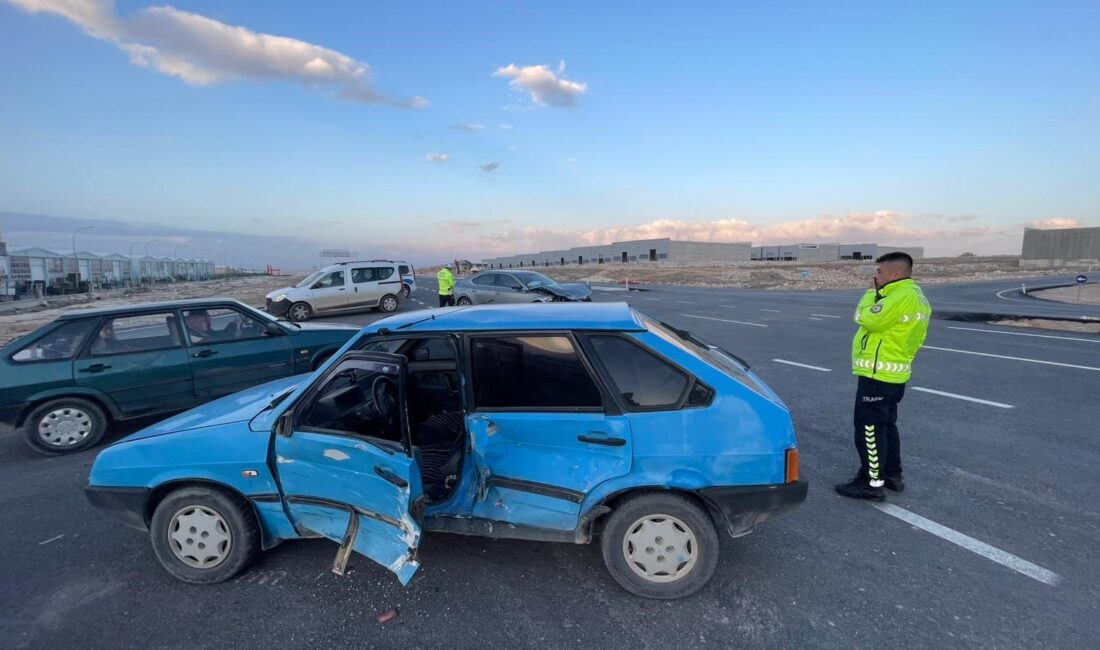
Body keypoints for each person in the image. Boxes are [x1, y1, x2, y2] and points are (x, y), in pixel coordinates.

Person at [835, 252, 932, 501]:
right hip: (895, 370)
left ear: (895, 274)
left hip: (878, 373)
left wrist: (870, 293)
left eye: (879, 271)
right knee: (886, 426)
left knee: (869, 429)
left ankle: (871, 482)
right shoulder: (916, 296)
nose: (875, 276)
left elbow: (865, 318)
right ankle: (891, 475)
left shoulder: (899, 296)